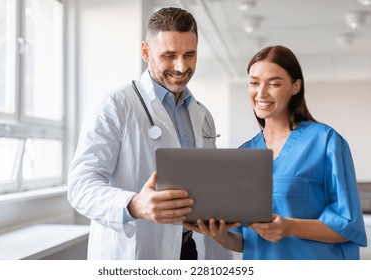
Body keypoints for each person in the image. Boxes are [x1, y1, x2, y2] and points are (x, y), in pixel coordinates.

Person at [67, 7, 232, 260]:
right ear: (146, 51)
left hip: (190, 248)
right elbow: (80, 186)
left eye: (190, 54)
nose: (181, 66)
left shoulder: (203, 115)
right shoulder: (115, 105)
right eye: (169, 55)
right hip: (136, 253)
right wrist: (135, 204)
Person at [184, 45, 367, 259]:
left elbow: (348, 224)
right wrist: (216, 234)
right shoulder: (244, 154)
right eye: (254, 83)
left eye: (274, 84)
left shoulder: (325, 141)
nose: (261, 93)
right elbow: (243, 240)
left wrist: (289, 227)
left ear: (295, 86)